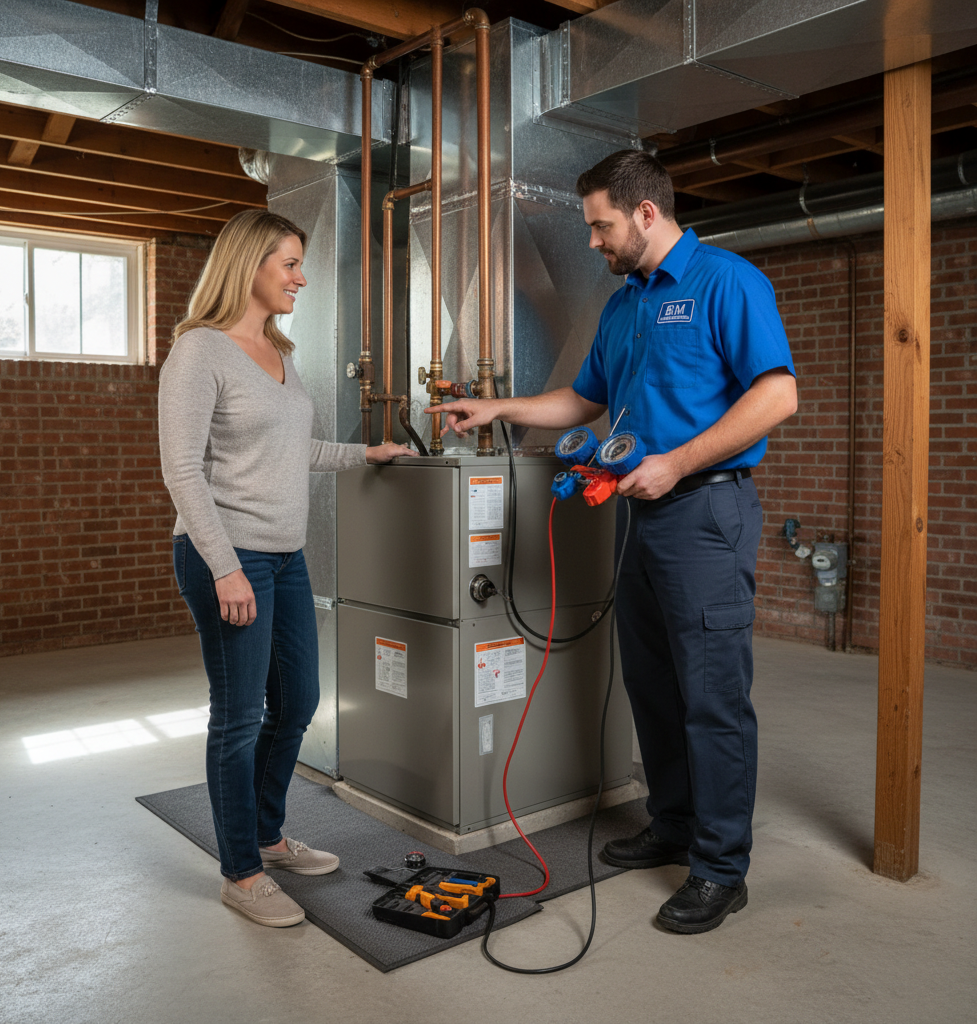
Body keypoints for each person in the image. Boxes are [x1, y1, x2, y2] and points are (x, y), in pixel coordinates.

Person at [426, 150, 797, 934]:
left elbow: (777, 395)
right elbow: (583, 399)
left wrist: (678, 462)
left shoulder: (727, 283)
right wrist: (498, 409)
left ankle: (721, 869)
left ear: (646, 214)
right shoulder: (623, 306)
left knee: (713, 697)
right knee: (651, 685)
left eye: (601, 226)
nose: (593, 241)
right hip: (637, 514)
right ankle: (673, 823)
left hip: (705, 511)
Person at [159, 209, 414, 928]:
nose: (301, 278)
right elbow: (182, 470)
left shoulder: (277, 350)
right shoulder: (199, 352)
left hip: (284, 556)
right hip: (225, 554)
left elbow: (293, 450)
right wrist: (224, 569)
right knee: (239, 717)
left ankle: (268, 837)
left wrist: (367, 453)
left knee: (298, 701)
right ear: (250, 265)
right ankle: (240, 872)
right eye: (291, 264)